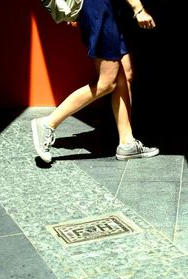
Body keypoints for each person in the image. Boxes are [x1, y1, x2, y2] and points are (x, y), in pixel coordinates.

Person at [31, 0, 159, 163]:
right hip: (100, 6)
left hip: (109, 8)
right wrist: (138, 8)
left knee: (125, 73)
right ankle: (48, 123)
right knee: (107, 83)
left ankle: (127, 143)